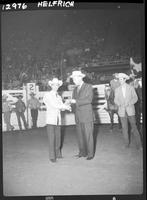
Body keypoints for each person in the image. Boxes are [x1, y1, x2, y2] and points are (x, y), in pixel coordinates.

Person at [43, 77, 71, 163]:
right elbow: (54, 105)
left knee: (58, 138)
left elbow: (61, 108)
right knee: (52, 139)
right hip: (51, 120)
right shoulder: (47, 95)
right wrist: (64, 106)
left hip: (58, 120)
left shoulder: (59, 96)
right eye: (54, 85)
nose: (56, 86)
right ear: (51, 85)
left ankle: (58, 153)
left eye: (57, 85)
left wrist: (66, 104)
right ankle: (52, 156)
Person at [69, 70, 95, 160]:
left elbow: (89, 100)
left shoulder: (88, 86)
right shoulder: (75, 89)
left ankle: (90, 154)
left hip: (87, 115)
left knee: (88, 135)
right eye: (73, 78)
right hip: (78, 116)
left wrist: (75, 101)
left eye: (75, 78)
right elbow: (74, 103)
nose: (74, 80)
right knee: (80, 135)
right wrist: (68, 106)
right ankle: (82, 152)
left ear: (81, 77)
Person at [114, 73, 142, 149]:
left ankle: (139, 145)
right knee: (124, 129)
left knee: (134, 128)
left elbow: (135, 98)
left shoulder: (131, 88)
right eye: (119, 79)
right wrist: (119, 104)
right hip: (122, 112)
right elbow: (115, 100)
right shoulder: (117, 90)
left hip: (131, 111)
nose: (120, 81)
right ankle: (126, 144)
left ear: (125, 79)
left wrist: (129, 103)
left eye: (121, 79)